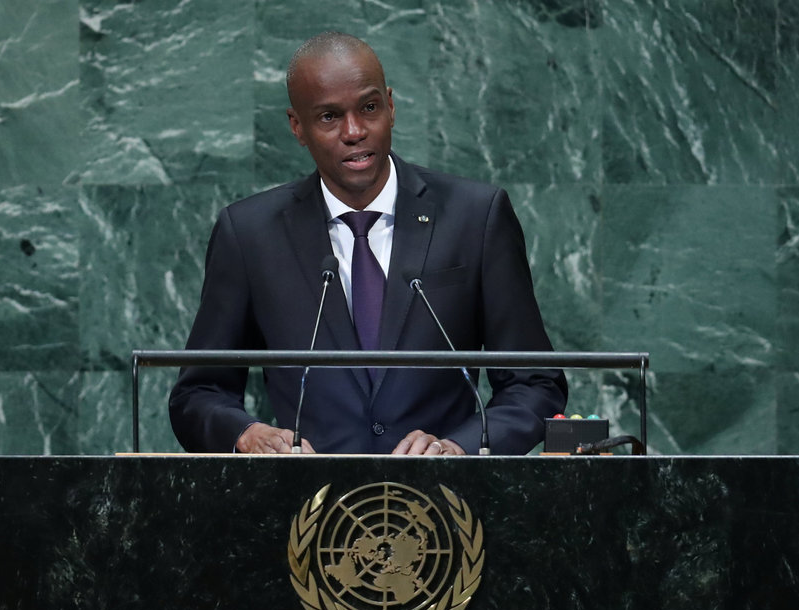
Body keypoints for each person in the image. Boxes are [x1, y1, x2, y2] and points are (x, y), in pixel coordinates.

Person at [169, 32, 566, 455]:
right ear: (297, 127)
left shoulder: (476, 216)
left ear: (391, 107)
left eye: (369, 108)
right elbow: (199, 393)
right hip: (309, 510)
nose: (355, 131)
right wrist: (246, 433)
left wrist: (460, 448)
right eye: (328, 117)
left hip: (447, 507)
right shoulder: (250, 233)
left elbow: (535, 383)